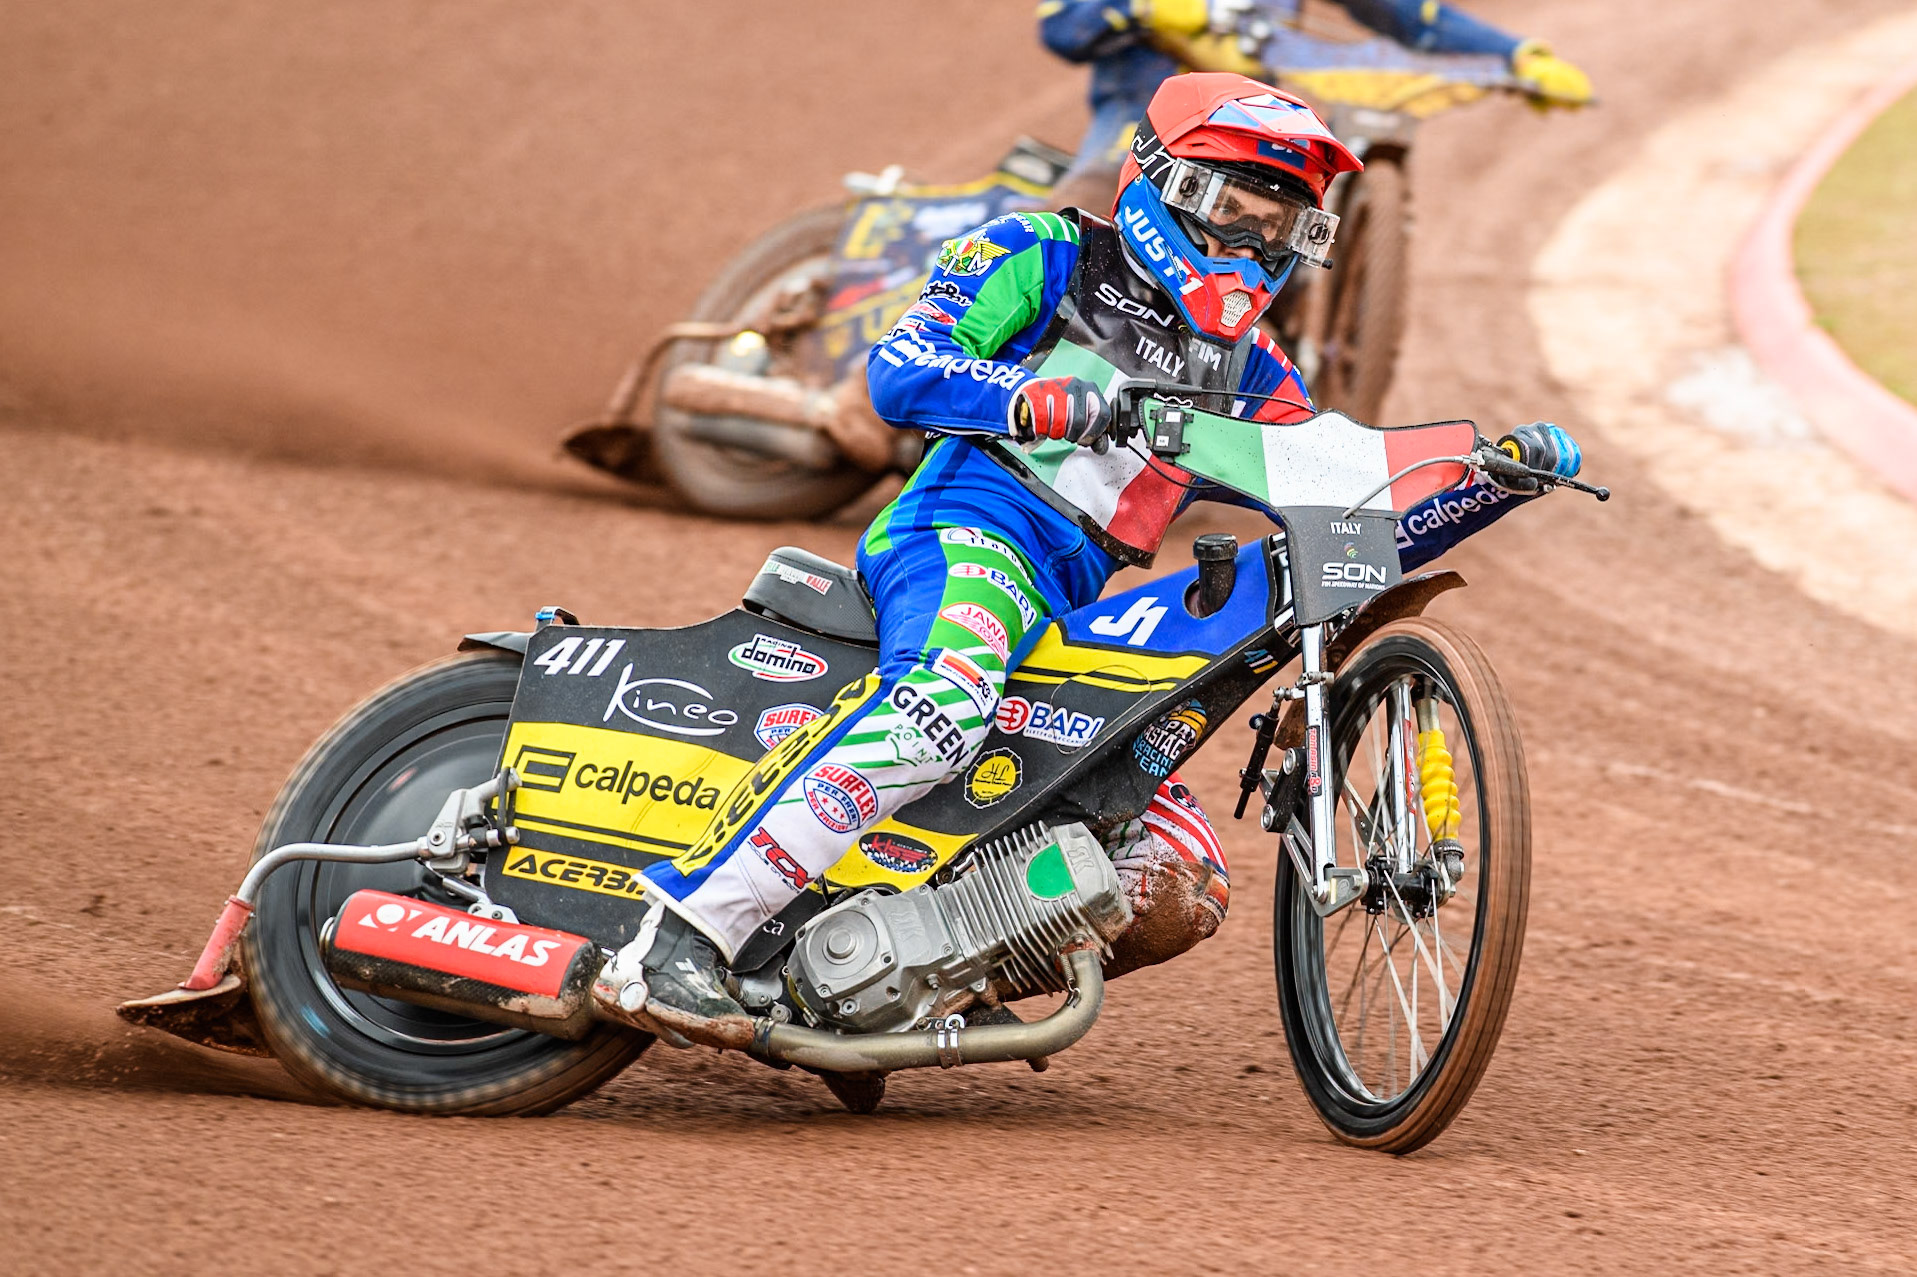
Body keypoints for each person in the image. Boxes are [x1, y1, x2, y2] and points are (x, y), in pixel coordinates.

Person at [592, 73, 1581, 1051]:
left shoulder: (1255, 372)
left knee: (1179, 871)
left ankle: (907, 974)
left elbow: (1346, 491)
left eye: (1284, 229)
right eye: (1235, 210)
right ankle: (676, 937)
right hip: (968, 530)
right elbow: (898, 369)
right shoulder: (1044, 253)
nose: (1255, 244)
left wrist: (1486, 476)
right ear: (1167, 185)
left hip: (1066, 601)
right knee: (939, 708)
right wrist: (1025, 397)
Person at [1038, 0, 1595, 208]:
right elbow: (1063, 26)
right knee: (1085, 211)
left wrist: (1515, 56)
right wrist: (1147, 8)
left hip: (1250, 118)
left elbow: (1412, 14)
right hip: (1144, 118)